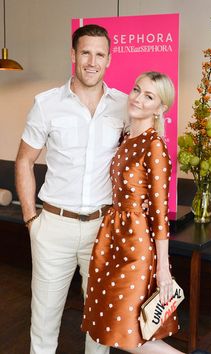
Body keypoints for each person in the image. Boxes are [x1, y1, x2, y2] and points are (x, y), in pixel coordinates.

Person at [15, 24, 128, 354]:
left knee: (99, 324)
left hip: (103, 228)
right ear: (73, 55)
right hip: (53, 227)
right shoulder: (46, 104)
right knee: (45, 321)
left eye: (100, 54)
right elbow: (24, 161)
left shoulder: (124, 106)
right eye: (85, 53)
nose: (92, 61)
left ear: (109, 59)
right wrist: (30, 220)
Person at [81, 72, 211, 354]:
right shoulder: (127, 137)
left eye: (149, 96)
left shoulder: (154, 146)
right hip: (113, 236)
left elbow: (160, 213)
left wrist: (163, 270)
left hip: (136, 245)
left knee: (128, 332)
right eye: (137, 90)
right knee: (116, 327)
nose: (138, 98)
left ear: (161, 107)